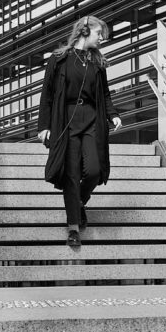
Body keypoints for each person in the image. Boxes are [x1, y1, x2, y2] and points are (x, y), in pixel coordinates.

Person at [37, 15, 122, 247]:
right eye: (98, 34)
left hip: (92, 119)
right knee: (71, 174)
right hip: (66, 119)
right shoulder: (59, 59)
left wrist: (112, 114)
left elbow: (104, 93)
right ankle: (73, 227)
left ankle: (80, 202)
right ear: (84, 32)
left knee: (94, 170)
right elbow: (47, 95)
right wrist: (44, 126)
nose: (102, 39)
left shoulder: (97, 63)